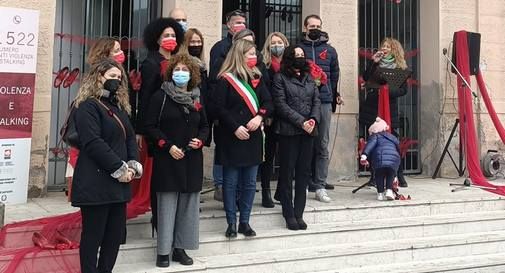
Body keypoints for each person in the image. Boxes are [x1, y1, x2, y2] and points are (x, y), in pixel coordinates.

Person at [71, 58, 142, 273]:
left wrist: (131, 164)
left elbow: (129, 138)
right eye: (112, 76)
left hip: (119, 185)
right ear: (98, 77)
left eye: (119, 78)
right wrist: (118, 168)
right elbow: (93, 142)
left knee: (113, 238)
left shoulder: (118, 106)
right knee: (93, 238)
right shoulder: (87, 106)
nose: (116, 81)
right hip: (95, 182)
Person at [144, 54, 209, 268]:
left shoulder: (197, 97)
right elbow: (150, 126)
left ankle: (180, 248)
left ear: (192, 74)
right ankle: (163, 252)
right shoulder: (160, 96)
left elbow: (205, 126)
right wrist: (167, 145)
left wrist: (200, 140)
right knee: (167, 205)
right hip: (168, 157)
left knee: (188, 205)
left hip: (191, 158)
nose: (181, 73)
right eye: (177, 69)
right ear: (171, 73)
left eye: (185, 70)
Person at [214, 39, 273, 238]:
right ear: (239, 55)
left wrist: (260, 116)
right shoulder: (225, 79)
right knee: (230, 183)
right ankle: (231, 222)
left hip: (253, 135)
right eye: (250, 54)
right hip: (232, 136)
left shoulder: (257, 77)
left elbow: (268, 101)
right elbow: (219, 108)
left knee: (249, 183)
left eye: (255, 54)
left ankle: (245, 222)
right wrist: (235, 127)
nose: (254, 57)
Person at [136, 17, 185, 235]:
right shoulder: (150, 63)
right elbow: (144, 98)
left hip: (179, 126)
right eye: (166, 35)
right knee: (160, 178)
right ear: (157, 39)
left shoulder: (180, 61)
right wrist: (142, 129)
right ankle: (159, 222)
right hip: (158, 126)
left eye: (173, 35)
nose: (171, 39)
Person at [66, 37, 128, 202]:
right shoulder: (90, 98)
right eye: (116, 51)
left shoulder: (118, 87)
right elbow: (92, 139)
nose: (121, 54)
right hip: (95, 159)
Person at [272, 45, 321, 230]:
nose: (300, 58)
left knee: (304, 173)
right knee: (287, 172)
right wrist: (301, 122)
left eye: (302, 55)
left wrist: (313, 119)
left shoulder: (309, 78)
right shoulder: (280, 78)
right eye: (296, 55)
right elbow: (281, 105)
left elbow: (316, 100)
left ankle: (299, 212)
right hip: (288, 131)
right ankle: (288, 212)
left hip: (309, 131)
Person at [298, 14, 343, 203]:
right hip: (303, 101)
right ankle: (303, 181)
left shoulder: (330, 50)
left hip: (324, 100)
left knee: (322, 144)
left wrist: (335, 95)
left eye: (318, 26)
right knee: (303, 144)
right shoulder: (299, 49)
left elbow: (334, 75)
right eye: (311, 26)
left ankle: (320, 184)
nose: (314, 29)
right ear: (305, 28)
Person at [208, 9, 247, 202]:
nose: (240, 25)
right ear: (228, 25)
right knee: (222, 147)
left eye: (243, 22)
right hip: (224, 108)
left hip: (244, 109)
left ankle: (238, 186)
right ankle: (220, 185)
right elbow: (214, 80)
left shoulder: (248, 47)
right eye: (237, 22)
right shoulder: (220, 47)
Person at [360, 37, 408, 187]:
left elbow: (403, 90)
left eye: (388, 46)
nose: (385, 48)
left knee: (392, 142)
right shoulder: (377, 64)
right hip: (373, 108)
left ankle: (398, 174)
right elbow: (366, 77)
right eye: (383, 46)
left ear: (395, 50)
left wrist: (387, 90)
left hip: (389, 108)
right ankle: (375, 176)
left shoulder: (400, 68)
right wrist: (373, 62)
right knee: (373, 143)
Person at [259, 32, 289, 208]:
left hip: (287, 115)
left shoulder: (289, 65)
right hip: (272, 116)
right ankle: (265, 191)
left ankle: (281, 191)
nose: (277, 45)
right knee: (268, 157)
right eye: (273, 43)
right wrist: (267, 114)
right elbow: (264, 91)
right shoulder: (265, 65)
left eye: (280, 42)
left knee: (285, 156)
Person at [360, 117, 400, 201]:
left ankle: (380, 194)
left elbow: (369, 146)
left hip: (379, 159)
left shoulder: (375, 136)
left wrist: (364, 155)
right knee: (390, 174)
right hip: (393, 158)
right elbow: (398, 146)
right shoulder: (392, 137)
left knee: (379, 175)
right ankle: (389, 190)